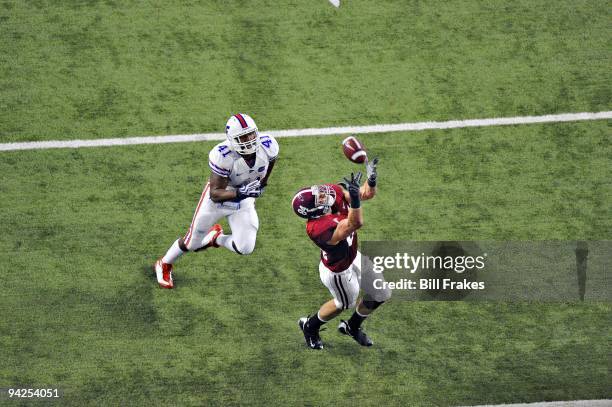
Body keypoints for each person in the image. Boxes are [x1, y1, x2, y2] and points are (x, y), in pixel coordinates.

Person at [154, 113, 279, 288]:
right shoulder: (223, 155)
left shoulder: (268, 145)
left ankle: (216, 238)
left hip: (243, 201)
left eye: (251, 134)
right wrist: (242, 192)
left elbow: (270, 162)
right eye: (243, 137)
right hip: (219, 201)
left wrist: (262, 183)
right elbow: (215, 193)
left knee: (245, 247)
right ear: (232, 139)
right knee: (192, 242)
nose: (249, 140)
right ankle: (164, 263)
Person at [291, 159, 390, 349]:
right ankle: (310, 326)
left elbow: (364, 194)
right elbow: (355, 223)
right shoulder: (318, 229)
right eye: (319, 198)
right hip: (338, 270)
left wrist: (371, 180)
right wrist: (353, 199)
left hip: (353, 255)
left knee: (381, 292)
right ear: (314, 210)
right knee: (343, 304)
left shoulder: (329, 194)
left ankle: (352, 326)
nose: (324, 195)